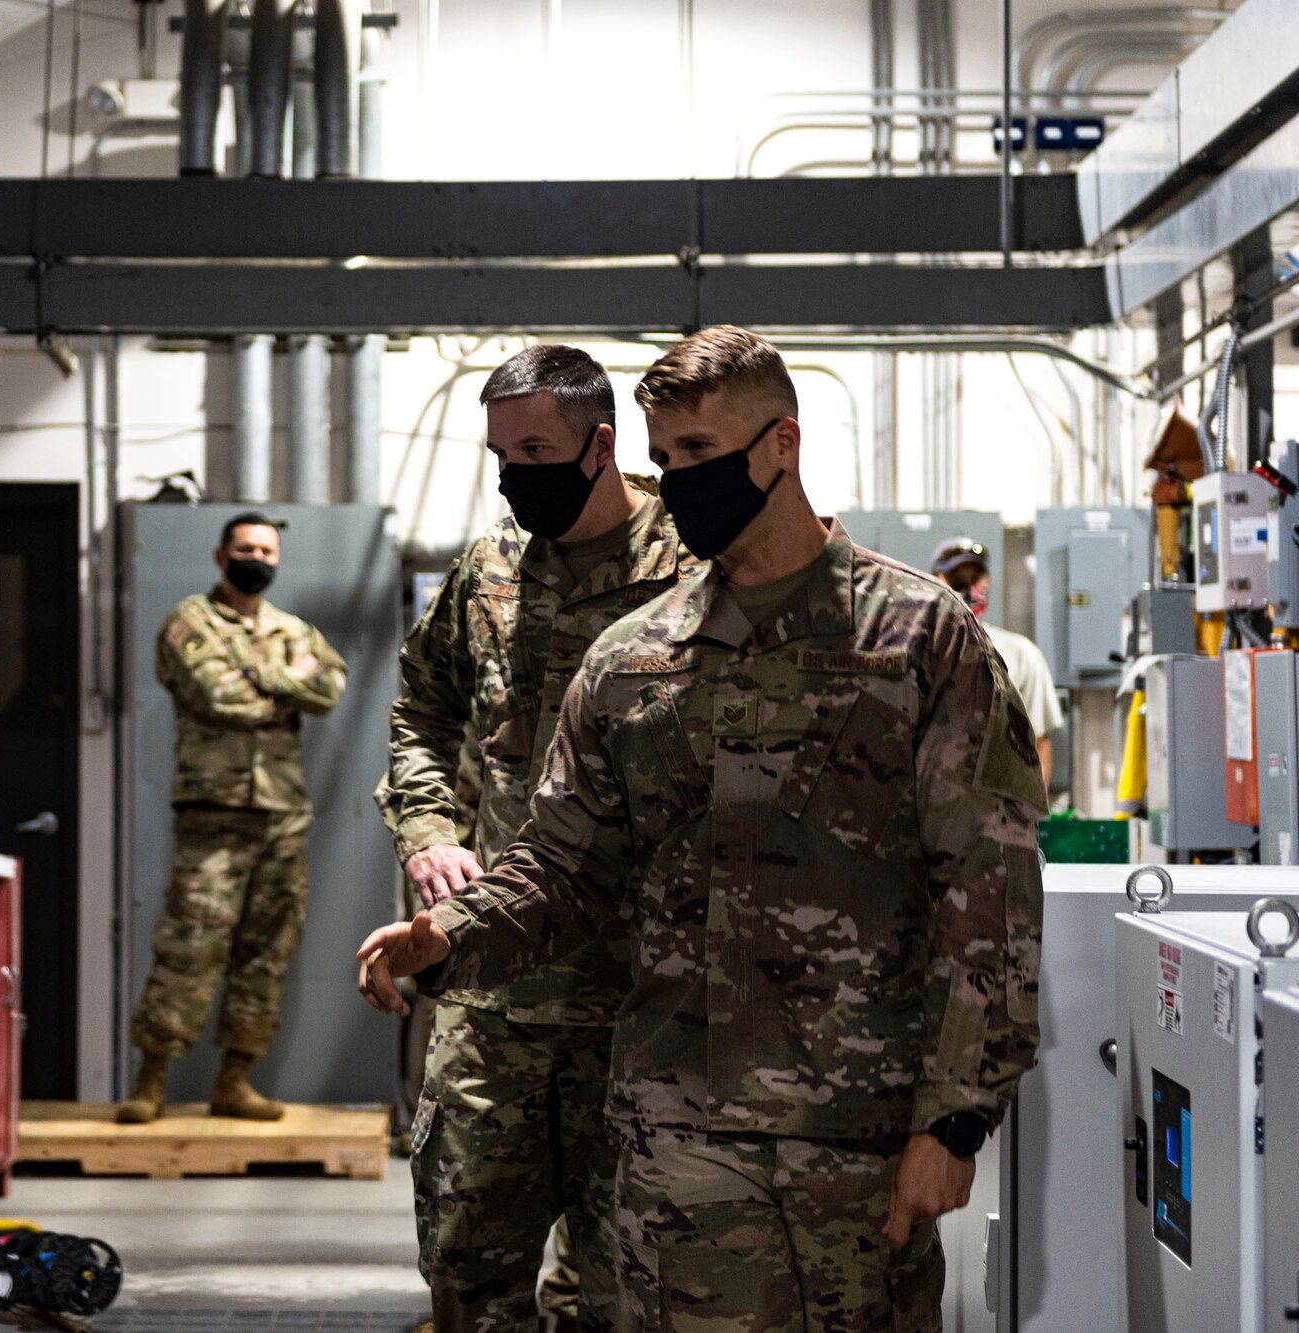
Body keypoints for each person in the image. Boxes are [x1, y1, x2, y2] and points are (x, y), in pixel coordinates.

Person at [357, 327, 1046, 1331]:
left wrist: (953, 1114)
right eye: (666, 454)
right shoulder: (633, 658)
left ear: (780, 444)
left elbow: (985, 895)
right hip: (670, 1140)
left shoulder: (916, 634)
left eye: (698, 451)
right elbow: (559, 861)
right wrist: (447, 934)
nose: (677, 477)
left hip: (849, 1140)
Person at [380, 345, 696, 1333]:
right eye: (500, 455)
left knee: (624, 1291)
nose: (515, 475)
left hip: (643, 997)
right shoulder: (485, 573)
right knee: (468, 1270)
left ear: (599, 445)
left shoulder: (695, 564)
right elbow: (418, 717)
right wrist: (428, 832)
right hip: (492, 989)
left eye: (534, 450)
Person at [117, 512, 348, 1124]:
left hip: (281, 813)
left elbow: (329, 687)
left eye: (267, 550)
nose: (258, 558)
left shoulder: (288, 626)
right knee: (190, 945)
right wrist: (284, 679)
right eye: (246, 548)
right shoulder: (190, 621)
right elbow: (221, 697)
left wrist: (258, 673)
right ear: (222, 557)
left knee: (267, 950)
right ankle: (150, 1081)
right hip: (213, 812)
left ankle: (234, 1080)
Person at [931, 538, 1063, 789]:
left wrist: (1029, 819)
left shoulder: (1021, 653)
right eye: (958, 581)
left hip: (996, 811)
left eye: (975, 579)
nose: (968, 590)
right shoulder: (917, 649)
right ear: (935, 581)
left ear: (988, 583)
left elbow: (1038, 743)